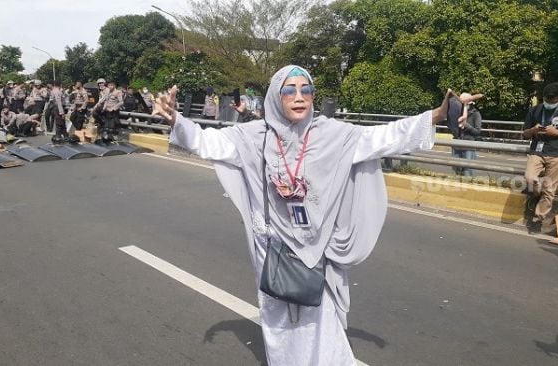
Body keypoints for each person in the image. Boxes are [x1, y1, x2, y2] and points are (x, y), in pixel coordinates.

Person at [152, 65, 479, 365]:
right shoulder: (254, 136)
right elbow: (209, 143)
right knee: (278, 319)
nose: (299, 97)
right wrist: (176, 120)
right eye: (289, 90)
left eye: (306, 90)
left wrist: (437, 114)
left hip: (316, 244)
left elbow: (382, 137)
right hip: (272, 246)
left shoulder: (332, 135)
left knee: (319, 318)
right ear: (275, 96)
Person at [523, 82, 558, 233]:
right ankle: (535, 195)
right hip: (537, 152)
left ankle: (538, 219)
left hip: (557, 154)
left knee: (549, 190)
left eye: (553, 100)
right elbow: (525, 134)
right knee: (530, 178)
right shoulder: (535, 110)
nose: (549, 102)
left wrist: (555, 133)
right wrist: (533, 129)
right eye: (547, 99)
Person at [451, 92, 483, 176]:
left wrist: (466, 125)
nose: (463, 105)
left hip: (469, 146)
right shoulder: (458, 113)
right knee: (456, 169)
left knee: (467, 171)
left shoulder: (476, 114)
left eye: (465, 103)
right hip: (457, 145)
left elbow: (477, 132)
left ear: (471, 103)